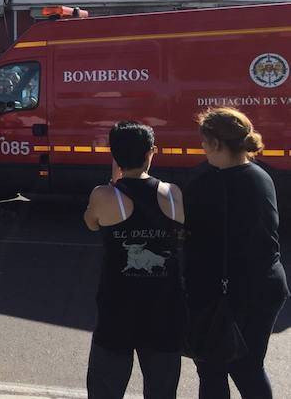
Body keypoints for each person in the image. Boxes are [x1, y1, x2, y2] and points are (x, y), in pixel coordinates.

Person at [184, 108, 288, 398]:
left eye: (204, 141)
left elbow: (193, 241)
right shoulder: (261, 176)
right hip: (265, 286)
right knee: (249, 366)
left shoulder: (206, 181)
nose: (201, 147)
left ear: (215, 144)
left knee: (212, 367)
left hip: (224, 293)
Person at [83, 122, 184, 399]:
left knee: (105, 389)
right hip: (165, 308)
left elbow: (91, 223)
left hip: (117, 309)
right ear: (151, 152)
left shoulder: (104, 196)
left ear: (114, 155)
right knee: (162, 391)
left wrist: (114, 181)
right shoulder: (173, 194)